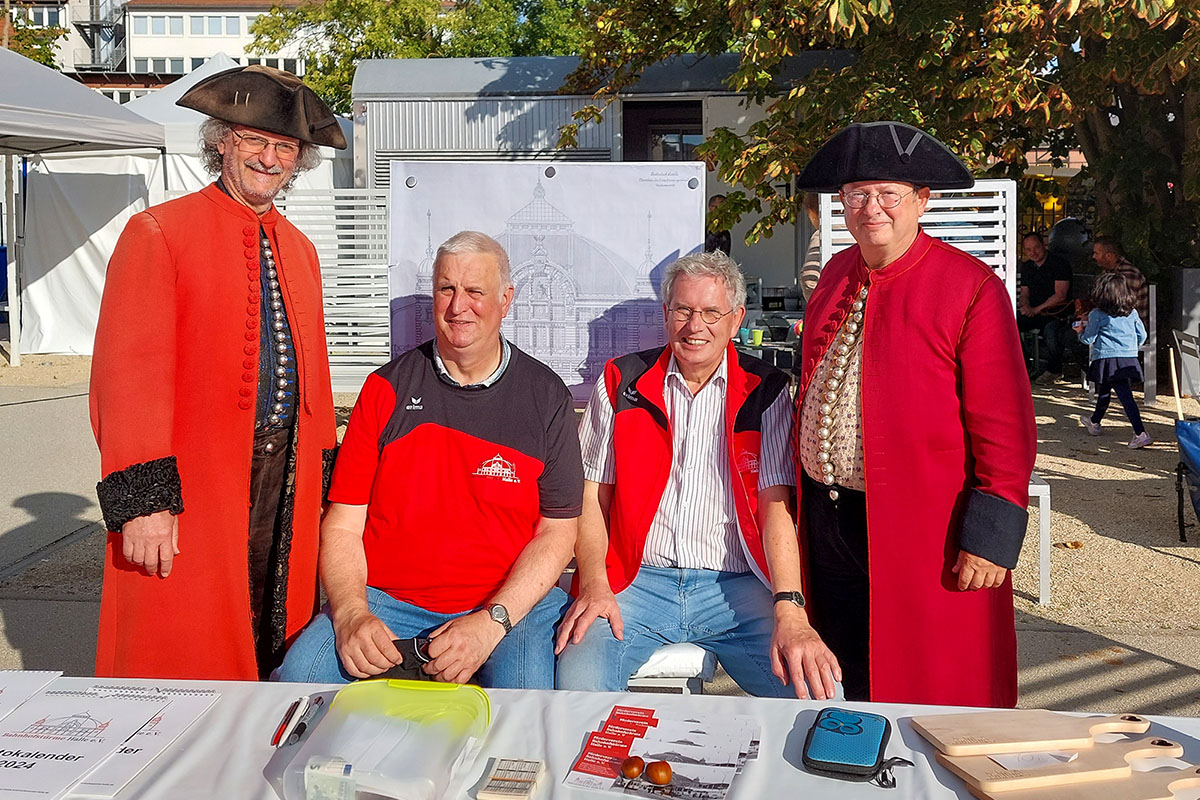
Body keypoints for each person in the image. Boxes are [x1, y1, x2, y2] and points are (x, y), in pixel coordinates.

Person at [89, 66, 344, 680]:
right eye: (255, 139)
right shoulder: (159, 232)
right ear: (222, 141)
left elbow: (316, 379)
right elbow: (128, 379)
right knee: (187, 641)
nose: (270, 157)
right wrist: (144, 503)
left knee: (274, 634)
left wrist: (326, 484)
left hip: (286, 480)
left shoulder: (301, 249)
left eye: (286, 147)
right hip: (198, 480)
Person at [792, 121, 1037, 707]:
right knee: (844, 676)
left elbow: (1004, 421)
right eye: (856, 196)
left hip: (925, 524)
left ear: (921, 201)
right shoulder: (834, 274)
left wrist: (992, 535)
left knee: (931, 684)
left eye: (887, 195)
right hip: (830, 517)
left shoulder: (970, 285)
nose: (869, 208)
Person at [278, 231, 582, 687]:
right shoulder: (385, 390)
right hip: (387, 601)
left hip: (508, 604)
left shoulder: (546, 397)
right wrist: (350, 614)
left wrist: (492, 621)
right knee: (298, 682)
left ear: (506, 299)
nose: (459, 306)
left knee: (525, 711)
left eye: (475, 291)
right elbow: (343, 525)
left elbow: (558, 532)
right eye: (446, 289)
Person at [556, 250, 842, 701]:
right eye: (684, 310)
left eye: (711, 312)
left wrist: (791, 610)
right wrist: (593, 583)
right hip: (636, 581)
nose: (695, 326)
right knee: (577, 684)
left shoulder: (764, 390)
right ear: (666, 313)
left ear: (735, 320)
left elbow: (776, 507)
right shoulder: (621, 382)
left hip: (737, 587)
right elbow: (592, 497)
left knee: (818, 695)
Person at [1075, 273, 1150, 448]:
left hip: (1106, 359)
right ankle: (1094, 422)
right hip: (1128, 359)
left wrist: (1079, 331)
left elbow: (1088, 339)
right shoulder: (1131, 313)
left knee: (1123, 396)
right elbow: (1143, 335)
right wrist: (1130, 347)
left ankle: (1140, 433)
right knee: (1106, 391)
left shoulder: (1097, 314)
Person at [1017, 231, 1074, 384]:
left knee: (1052, 332)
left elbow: (1060, 295)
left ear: (1044, 245)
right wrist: (1025, 305)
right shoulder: (1028, 267)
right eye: (1028, 250)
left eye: (1036, 248)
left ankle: (1054, 370)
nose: (1033, 253)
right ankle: (1024, 365)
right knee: (1010, 324)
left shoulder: (1059, 264)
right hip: (1034, 312)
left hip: (1055, 312)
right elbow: (1024, 293)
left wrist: (1036, 309)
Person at [1093, 235, 1150, 329]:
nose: (1093, 256)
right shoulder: (1109, 271)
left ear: (1109, 256)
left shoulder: (1129, 276)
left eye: (1096, 253)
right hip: (1114, 323)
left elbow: (1121, 308)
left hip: (1129, 329)